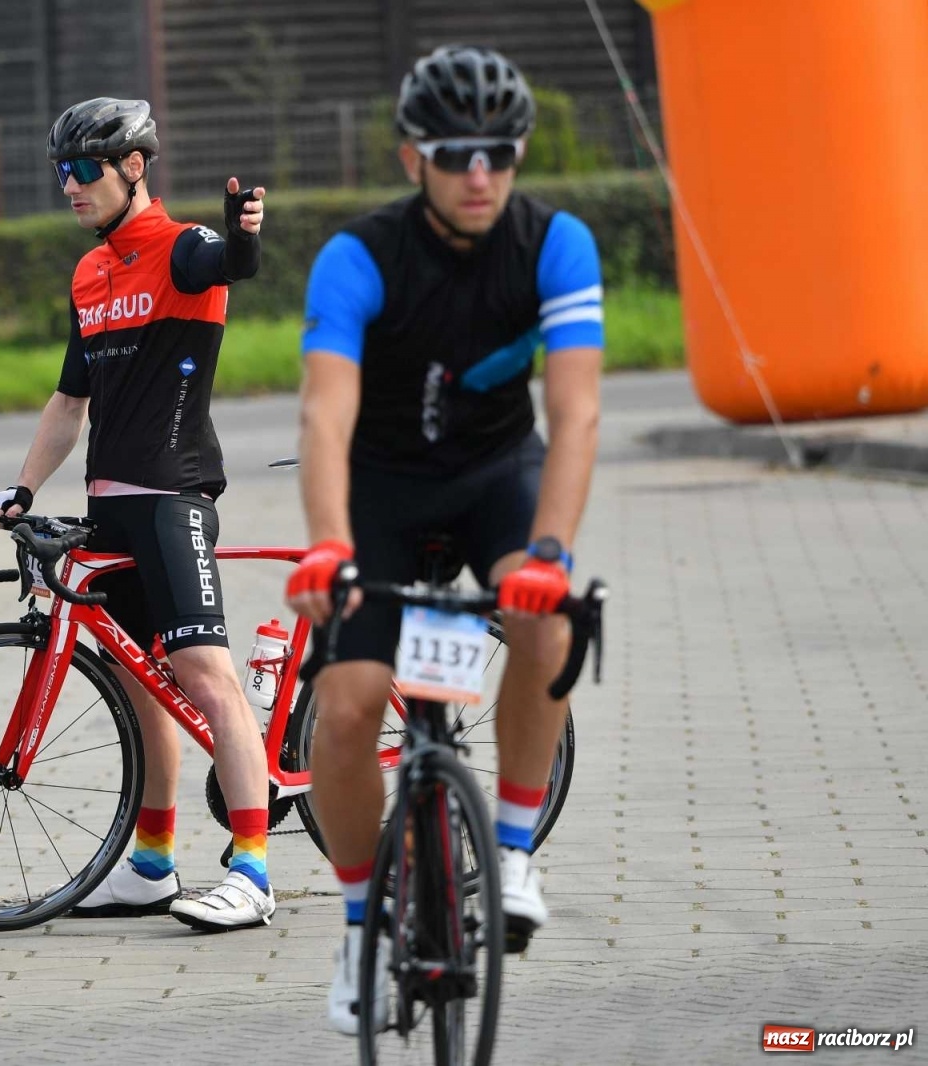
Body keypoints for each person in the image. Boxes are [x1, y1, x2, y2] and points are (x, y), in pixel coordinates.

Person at [284, 45, 603, 1032]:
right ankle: (354, 927)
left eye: (499, 152)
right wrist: (328, 546)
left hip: (490, 476)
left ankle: (509, 851)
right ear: (410, 158)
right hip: (378, 489)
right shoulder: (359, 256)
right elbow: (322, 417)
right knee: (346, 706)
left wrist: (548, 552)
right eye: (458, 152)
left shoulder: (555, 244)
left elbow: (577, 412)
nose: (480, 173)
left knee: (542, 618)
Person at [0, 97, 274, 932]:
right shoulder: (89, 272)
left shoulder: (181, 250)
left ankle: (252, 872)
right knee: (142, 685)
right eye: (60, 173)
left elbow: (236, 261)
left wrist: (243, 227)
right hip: (108, 506)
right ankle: (150, 865)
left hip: (173, 496)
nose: (68, 187)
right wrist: (25, 491)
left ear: (133, 167)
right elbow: (69, 402)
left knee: (206, 677)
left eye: (83, 171)